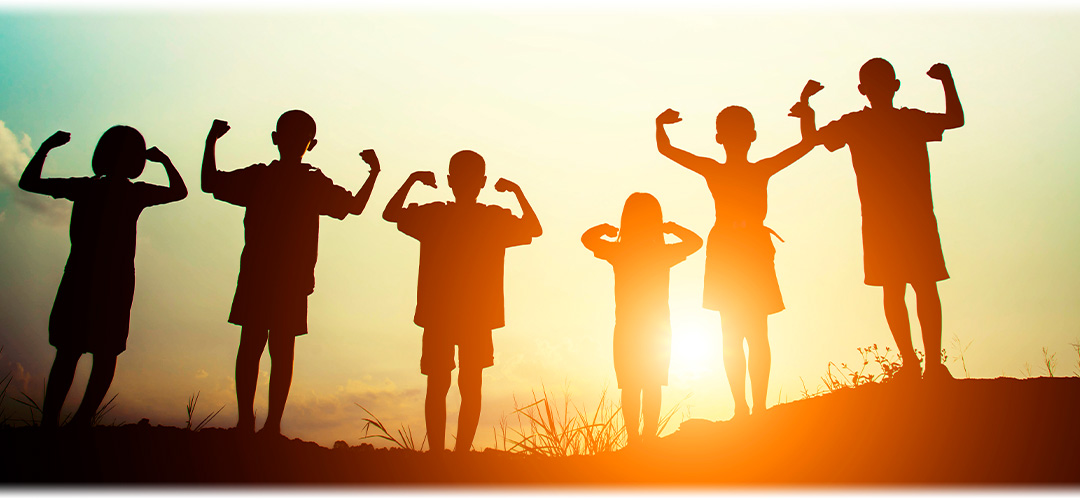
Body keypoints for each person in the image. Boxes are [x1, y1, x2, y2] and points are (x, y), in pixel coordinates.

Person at [201, 111, 381, 437]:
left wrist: (210, 142)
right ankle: (269, 426)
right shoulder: (309, 182)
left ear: (275, 138)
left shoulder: (264, 178)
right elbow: (354, 207)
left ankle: (249, 422)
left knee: (253, 346)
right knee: (280, 350)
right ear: (311, 145)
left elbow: (209, 183)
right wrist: (374, 174)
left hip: (262, 276)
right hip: (287, 280)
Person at [654, 80, 821, 417]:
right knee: (752, 333)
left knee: (737, 333)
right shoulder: (756, 169)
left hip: (736, 250)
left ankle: (746, 408)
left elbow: (667, 150)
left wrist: (659, 125)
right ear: (753, 136)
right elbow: (808, 143)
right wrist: (806, 112)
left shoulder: (720, 169)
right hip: (740, 251)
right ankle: (751, 407)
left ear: (719, 137)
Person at [807, 58, 964, 381]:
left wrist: (807, 107)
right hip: (905, 219)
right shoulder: (905, 120)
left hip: (895, 220)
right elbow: (955, 119)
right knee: (917, 288)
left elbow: (813, 139)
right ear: (893, 86)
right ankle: (923, 364)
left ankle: (918, 364)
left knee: (903, 289)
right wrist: (946, 81)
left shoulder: (866, 123)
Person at [20, 126, 187, 428]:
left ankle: (52, 421)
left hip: (83, 275)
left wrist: (46, 147)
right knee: (104, 352)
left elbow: (29, 182)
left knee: (71, 352)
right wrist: (164, 161)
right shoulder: (134, 192)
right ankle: (81, 418)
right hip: (113, 279)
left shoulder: (87, 188)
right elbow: (179, 191)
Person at [383, 150, 541, 453]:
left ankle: (440, 454)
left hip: (442, 313)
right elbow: (533, 227)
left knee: (440, 384)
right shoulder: (491, 218)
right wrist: (517, 192)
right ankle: (460, 453)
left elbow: (391, 213)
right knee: (469, 385)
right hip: (475, 315)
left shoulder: (435, 215)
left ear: (449, 181)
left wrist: (413, 180)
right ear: (482, 182)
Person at [581, 193, 701, 446]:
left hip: (627, 328)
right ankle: (648, 439)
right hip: (657, 328)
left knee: (631, 386)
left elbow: (587, 239)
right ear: (655, 220)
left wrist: (604, 228)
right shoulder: (662, 252)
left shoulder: (619, 250)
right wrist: (671, 227)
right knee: (652, 384)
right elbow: (695, 242)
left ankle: (634, 439)